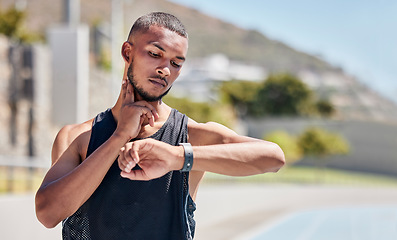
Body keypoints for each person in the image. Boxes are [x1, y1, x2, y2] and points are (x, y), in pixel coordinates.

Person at [35, 12, 285, 240]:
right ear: (127, 53)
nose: (165, 69)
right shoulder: (77, 137)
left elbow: (273, 158)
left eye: (176, 63)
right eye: (155, 54)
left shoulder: (189, 135)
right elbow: (48, 214)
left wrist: (177, 157)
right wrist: (119, 137)